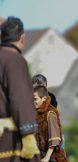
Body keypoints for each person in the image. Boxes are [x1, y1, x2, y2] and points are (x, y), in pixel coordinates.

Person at [0, 16, 40, 161]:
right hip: (10, 142)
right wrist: (28, 134)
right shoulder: (14, 60)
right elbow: (20, 99)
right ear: (22, 38)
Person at [33, 85, 67, 162]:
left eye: (35, 99)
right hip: (40, 156)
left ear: (44, 98)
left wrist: (46, 158)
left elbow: (54, 139)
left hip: (52, 157)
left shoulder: (50, 113)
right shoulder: (37, 113)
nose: (33, 102)